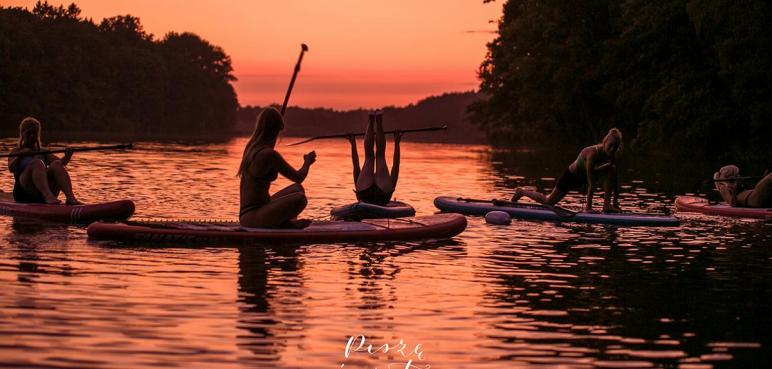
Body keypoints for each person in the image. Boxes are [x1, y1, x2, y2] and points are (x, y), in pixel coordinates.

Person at [511, 128, 623, 212]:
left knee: (612, 169)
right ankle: (521, 192)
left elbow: (615, 180)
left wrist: (615, 203)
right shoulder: (592, 154)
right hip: (571, 177)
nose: (613, 149)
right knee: (549, 202)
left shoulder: (611, 155)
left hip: (583, 178)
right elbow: (591, 182)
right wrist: (588, 209)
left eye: (616, 147)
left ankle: (607, 205)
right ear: (605, 142)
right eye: (611, 145)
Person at [238, 108, 316, 228]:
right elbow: (298, 177)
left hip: (254, 212)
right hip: (253, 216)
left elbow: (297, 183)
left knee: (297, 188)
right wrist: (307, 162)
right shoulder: (269, 154)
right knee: (300, 199)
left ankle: (283, 222)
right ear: (277, 129)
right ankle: (286, 225)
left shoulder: (251, 148)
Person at [7, 117, 81, 205]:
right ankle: (47, 196)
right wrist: (20, 157)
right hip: (24, 194)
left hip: (42, 195)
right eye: (28, 133)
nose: (31, 136)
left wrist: (67, 156)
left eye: (34, 133)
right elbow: (11, 168)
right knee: (37, 163)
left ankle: (70, 198)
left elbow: (61, 163)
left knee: (56, 164)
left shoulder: (43, 151)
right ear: (22, 134)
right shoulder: (16, 151)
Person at [347, 110, 403, 206]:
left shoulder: (391, 184)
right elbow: (356, 166)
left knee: (373, 156)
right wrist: (353, 144)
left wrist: (353, 144)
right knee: (374, 156)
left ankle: (374, 121)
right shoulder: (388, 185)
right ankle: (375, 120)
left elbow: (396, 166)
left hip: (369, 192)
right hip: (378, 192)